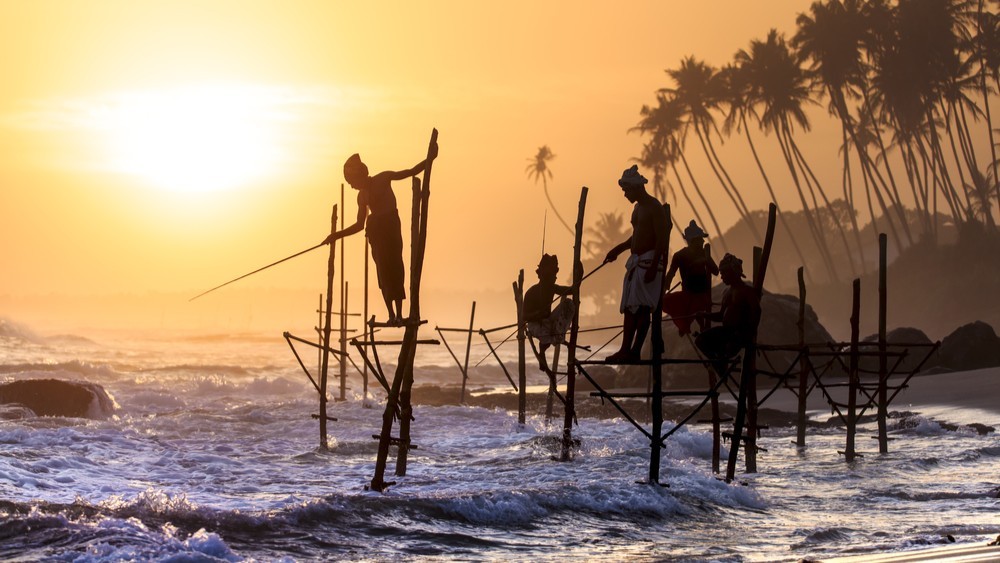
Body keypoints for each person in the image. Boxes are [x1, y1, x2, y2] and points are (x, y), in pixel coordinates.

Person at [323, 143, 438, 325]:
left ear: (360, 175)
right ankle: (391, 314)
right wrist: (336, 235)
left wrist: (430, 159)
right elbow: (359, 225)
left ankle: (399, 314)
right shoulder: (362, 197)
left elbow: (410, 172)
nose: (352, 187)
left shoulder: (383, 178)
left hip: (391, 227)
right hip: (376, 233)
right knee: (383, 273)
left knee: (395, 268)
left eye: (352, 182)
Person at [603, 165, 669, 363]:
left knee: (641, 309)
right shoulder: (638, 208)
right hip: (638, 262)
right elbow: (636, 236)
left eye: (626, 190)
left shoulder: (654, 207)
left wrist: (653, 265)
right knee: (631, 308)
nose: (625, 195)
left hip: (649, 263)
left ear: (636, 187)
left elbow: (662, 239)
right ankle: (626, 349)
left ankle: (635, 350)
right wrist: (618, 249)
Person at [695, 253, 761, 375]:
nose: (722, 277)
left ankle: (721, 363)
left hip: (740, 332)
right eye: (721, 273)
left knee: (727, 348)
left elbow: (757, 312)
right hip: (727, 331)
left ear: (734, 272)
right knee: (700, 340)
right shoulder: (727, 293)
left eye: (724, 273)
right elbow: (721, 316)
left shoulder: (747, 291)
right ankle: (720, 365)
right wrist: (704, 314)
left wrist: (749, 334)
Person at [662, 220, 719, 336]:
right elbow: (671, 274)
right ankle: (685, 324)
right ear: (693, 241)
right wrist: (663, 289)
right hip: (687, 294)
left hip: (702, 295)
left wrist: (705, 260)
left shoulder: (704, 253)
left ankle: (701, 327)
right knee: (665, 301)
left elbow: (716, 271)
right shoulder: (679, 256)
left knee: (698, 309)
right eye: (700, 239)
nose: (703, 241)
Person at [524, 254, 577, 373]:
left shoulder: (552, 288)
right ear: (541, 275)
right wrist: (537, 314)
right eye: (551, 275)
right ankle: (543, 350)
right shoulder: (531, 292)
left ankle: (556, 336)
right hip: (535, 325)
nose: (554, 277)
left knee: (568, 304)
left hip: (548, 322)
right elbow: (524, 317)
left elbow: (570, 291)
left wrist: (579, 278)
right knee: (546, 334)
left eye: (554, 274)